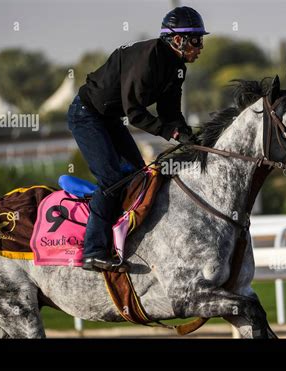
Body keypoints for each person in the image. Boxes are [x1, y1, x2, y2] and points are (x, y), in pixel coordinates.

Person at [67, 6, 209, 272]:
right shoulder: (148, 60)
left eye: (201, 39)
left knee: (137, 176)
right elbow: (135, 114)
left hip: (108, 118)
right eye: (196, 40)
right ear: (177, 40)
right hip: (86, 115)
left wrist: (187, 134)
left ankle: (122, 236)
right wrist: (171, 133)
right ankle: (93, 250)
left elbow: (170, 112)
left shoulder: (177, 67)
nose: (200, 47)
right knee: (112, 178)